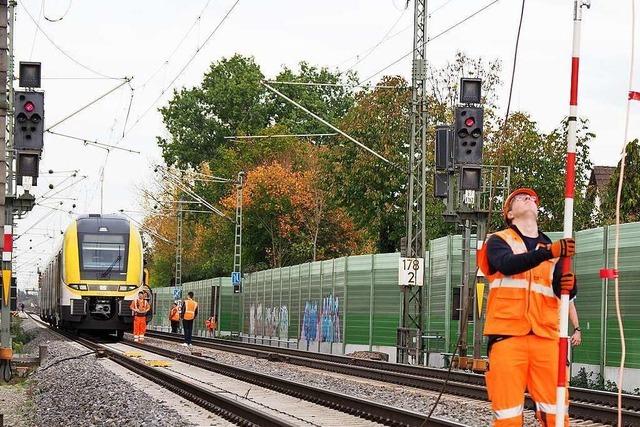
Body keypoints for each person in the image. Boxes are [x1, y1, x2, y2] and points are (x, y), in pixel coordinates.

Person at [477, 188, 577, 426]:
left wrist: (570, 284)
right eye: (521, 198)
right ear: (510, 214)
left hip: (546, 338)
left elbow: (564, 292)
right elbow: (507, 264)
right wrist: (547, 254)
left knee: (557, 414)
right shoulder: (498, 241)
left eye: (533, 198)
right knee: (508, 416)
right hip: (508, 338)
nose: (530, 199)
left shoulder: (554, 248)